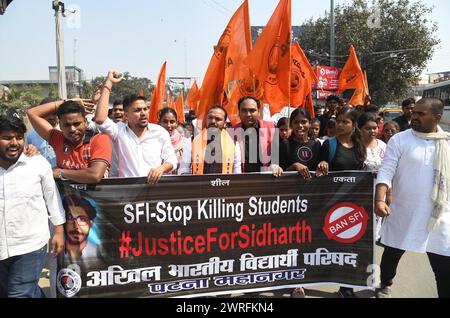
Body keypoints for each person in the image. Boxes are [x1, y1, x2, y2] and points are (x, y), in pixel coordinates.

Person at [375, 98, 450, 298]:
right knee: (392, 254)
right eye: (414, 112)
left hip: (438, 216)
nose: (413, 116)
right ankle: (384, 284)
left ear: (437, 117)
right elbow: (386, 171)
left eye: (420, 114)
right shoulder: (400, 140)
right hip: (403, 211)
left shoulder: (447, 142)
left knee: (444, 267)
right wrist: (380, 199)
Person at [0, 116, 65, 298]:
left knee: (19, 293)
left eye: (19, 137)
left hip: (29, 244)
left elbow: (53, 198)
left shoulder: (37, 164)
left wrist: (58, 231)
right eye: (7, 138)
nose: (14, 143)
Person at [317, 106, 367, 298]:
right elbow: (316, 174)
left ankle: (346, 287)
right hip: (330, 206)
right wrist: (322, 165)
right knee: (328, 248)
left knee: (348, 248)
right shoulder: (328, 145)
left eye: (345, 122)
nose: (340, 125)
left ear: (354, 125)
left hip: (351, 206)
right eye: (338, 121)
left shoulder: (359, 145)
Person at [95, 70, 177, 183]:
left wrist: (161, 169)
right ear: (126, 114)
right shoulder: (118, 131)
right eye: (137, 110)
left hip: (154, 193)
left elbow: (172, 159)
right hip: (128, 194)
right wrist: (108, 84)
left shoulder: (160, 132)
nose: (143, 113)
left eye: (145, 109)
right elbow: (100, 119)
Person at [26, 99, 112, 184]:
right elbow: (32, 113)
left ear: (85, 122)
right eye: (66, 125)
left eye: (76, 124)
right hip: (65, 197)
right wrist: (67, 101)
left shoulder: (99, 139)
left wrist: (60, 172)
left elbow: (95, 175)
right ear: (60, 125)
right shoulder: (57, 139)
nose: (72, 129)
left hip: (97, 197)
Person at [179, 105, 241, 175]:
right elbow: (184, 168)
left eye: (218, 119)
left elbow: (237, 169)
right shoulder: (192, 140)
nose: (213, 121)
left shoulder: (233, 142)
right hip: (200, 184)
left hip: (224, 184)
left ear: (224, 124)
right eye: (210, 118)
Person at [358, 112, 387, 241]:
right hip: (359, 192)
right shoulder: (355, 146)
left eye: (374, 128)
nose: (372, 131)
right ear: (359, 129)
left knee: (375, 225)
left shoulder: (384, 146)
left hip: (379, 192)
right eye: (368, 128)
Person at [234, 96, 276, 173]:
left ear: (259, 112)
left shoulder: (270, 128)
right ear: (239, 113)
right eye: (244, 110)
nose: (248, 114)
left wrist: (275, 164)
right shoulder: (232, 132)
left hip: (266, 179)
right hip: (241, 180)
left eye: (252, 110)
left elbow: (279, 153)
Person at [62, 195, 98, 263]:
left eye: (82, 219)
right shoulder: (56, 254)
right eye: (70, 218)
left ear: (91, 223)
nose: (76, 226)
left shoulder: (99, 253)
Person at [26, 98, 58, 168]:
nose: (51, 117)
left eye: (54, 113)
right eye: (47, 113)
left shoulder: (64, 132)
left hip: (61, 175)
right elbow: (26, 155)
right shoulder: (31, 135)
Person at [158, 108, 191, 175]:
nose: (168, 125)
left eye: (172, 122)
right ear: (159, 123)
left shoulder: (185, 142)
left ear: (177, 123)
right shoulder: (153, 142)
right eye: (165, 121)